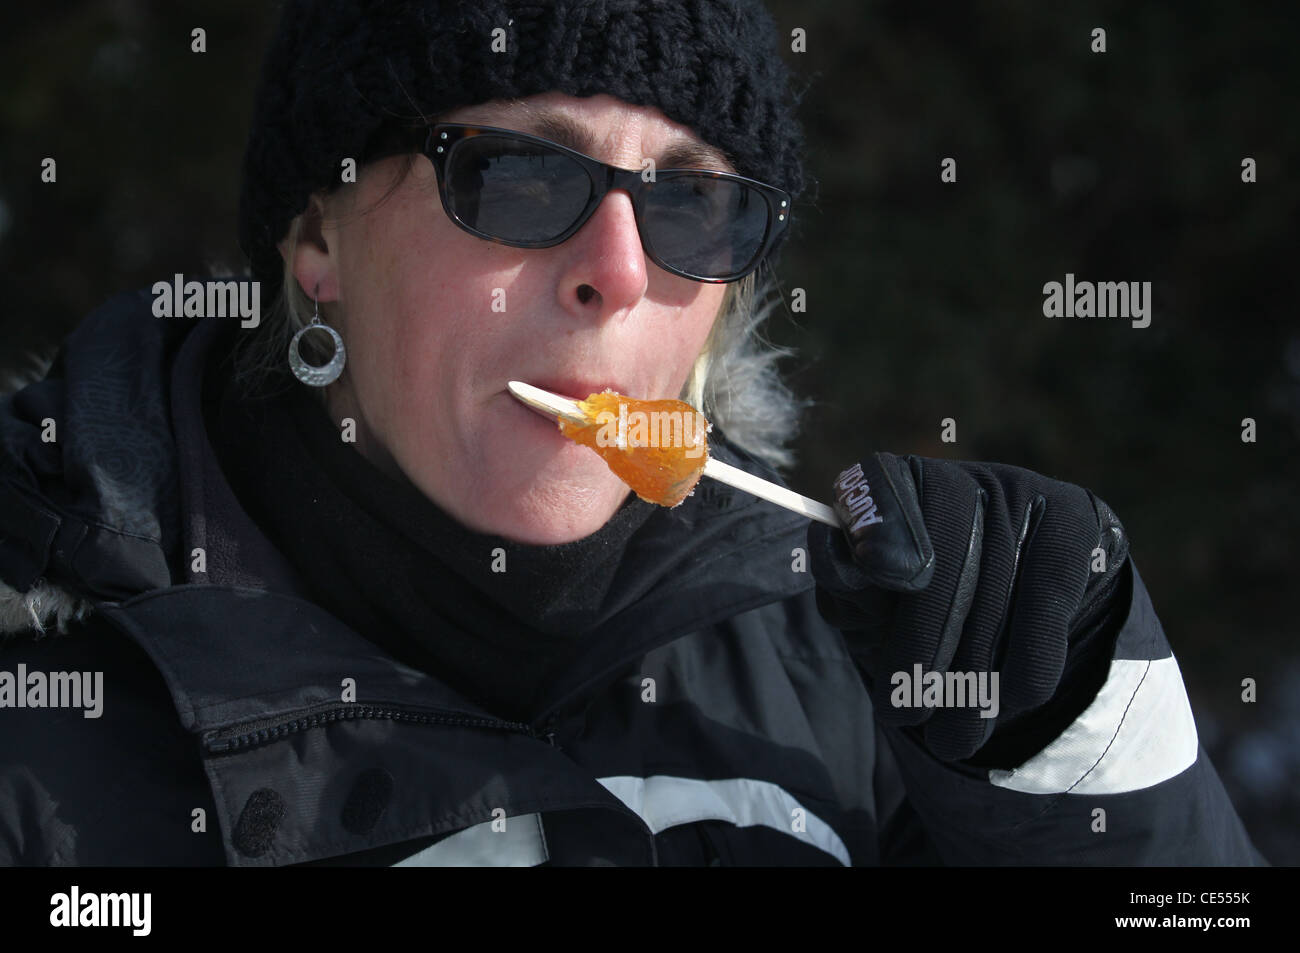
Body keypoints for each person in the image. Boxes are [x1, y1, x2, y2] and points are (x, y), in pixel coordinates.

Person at [0, 0, 1264, 866]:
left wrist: (1080, 759)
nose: (617, 266)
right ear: (320, 241)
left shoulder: (850, 676)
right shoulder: (43, 711)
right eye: (518, 173)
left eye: (693, 202)